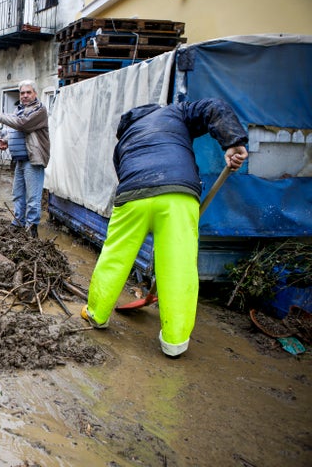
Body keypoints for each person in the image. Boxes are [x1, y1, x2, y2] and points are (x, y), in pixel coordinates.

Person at [80, 98, 249, 358]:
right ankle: (174, 342)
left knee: (114, 256)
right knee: (178, 267)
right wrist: (233, 142)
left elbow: (122, 174)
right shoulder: (177, 112)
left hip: (133, 196)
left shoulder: (124, 141)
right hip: (177, 195)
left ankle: (96, 314)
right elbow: (212, 107)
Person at [0, 80, 50, 238]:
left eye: (28, 92)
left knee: (33, 197)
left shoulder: (39, 110)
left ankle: (31, 230)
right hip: (20, 160)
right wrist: (6, 141)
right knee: (17, 194)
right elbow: (17, 132)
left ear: (35, 94)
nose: (25, 96)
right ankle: (18, 223)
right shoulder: (19, 110)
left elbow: (23, 125)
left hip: (33, 160)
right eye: (22, 93)